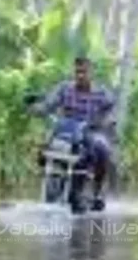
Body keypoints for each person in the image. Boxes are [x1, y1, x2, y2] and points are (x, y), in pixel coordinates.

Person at [28, 56, 116, 208]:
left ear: (91, 73)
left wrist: (104, 121)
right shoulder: (64, 88)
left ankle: (97, 191)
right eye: (77, 72)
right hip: (67, 129)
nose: (80, 76)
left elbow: (110, 111)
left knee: (102, 149)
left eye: (84, 72)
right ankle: (52, 182)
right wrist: (35, 108)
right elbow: (48, 105)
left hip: (90, 130)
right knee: (44, 147)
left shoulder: (101, 93)